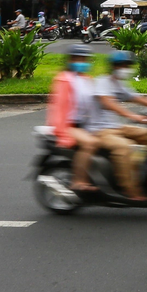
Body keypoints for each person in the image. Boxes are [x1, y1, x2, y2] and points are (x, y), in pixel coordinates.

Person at [90, 51, 147, 201]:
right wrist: (133, 116)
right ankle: (131, 191)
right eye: (122, 65)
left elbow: (136, 98)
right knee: (125, 147)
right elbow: (108, 103)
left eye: (128, 65)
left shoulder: (119, 83)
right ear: (114, 66)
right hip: (100, 130)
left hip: (116, 128)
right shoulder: (102, 81)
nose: (126, 68)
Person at [46, 45, 100, 192]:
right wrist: (63, 133)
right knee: (90, 143)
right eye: (79, 59)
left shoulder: (87, 79)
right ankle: (78, 181)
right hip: (69, 125)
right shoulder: (64, 80)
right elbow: (59, 108)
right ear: (71, 60)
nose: (82, 62)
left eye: (85, 59)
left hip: (86, 124)